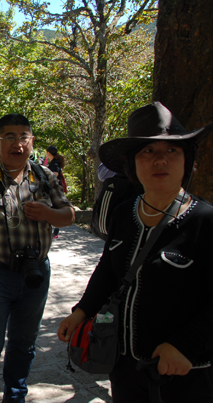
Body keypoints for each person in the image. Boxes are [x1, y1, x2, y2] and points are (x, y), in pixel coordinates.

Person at [57, 102, 213, 402]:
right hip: (124, 367)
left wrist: (185, 346)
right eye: (147, 152)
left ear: (187, 160)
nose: (160, 161)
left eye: (172, 151)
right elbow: (108, 270)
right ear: (133, 165)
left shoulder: (204, 221)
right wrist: (82, 310)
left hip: (186, 373)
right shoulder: (123, 215)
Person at [0, 113, 74, 403]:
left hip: (35, 274)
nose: (17, 143)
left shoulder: (45, 176)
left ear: (32, 142)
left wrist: (48, 214)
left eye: (23, 137)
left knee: (24, 344)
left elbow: (69, 215)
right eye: (9, 136)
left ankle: (15, 396)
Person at [45, 145, 66, 238]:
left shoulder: (55, 163)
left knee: (55, 209)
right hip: (55, 188)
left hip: (56, 189)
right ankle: (55, 231)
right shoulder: (54, 162)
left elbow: (55, 174)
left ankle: (56, 232)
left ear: (49, 153)